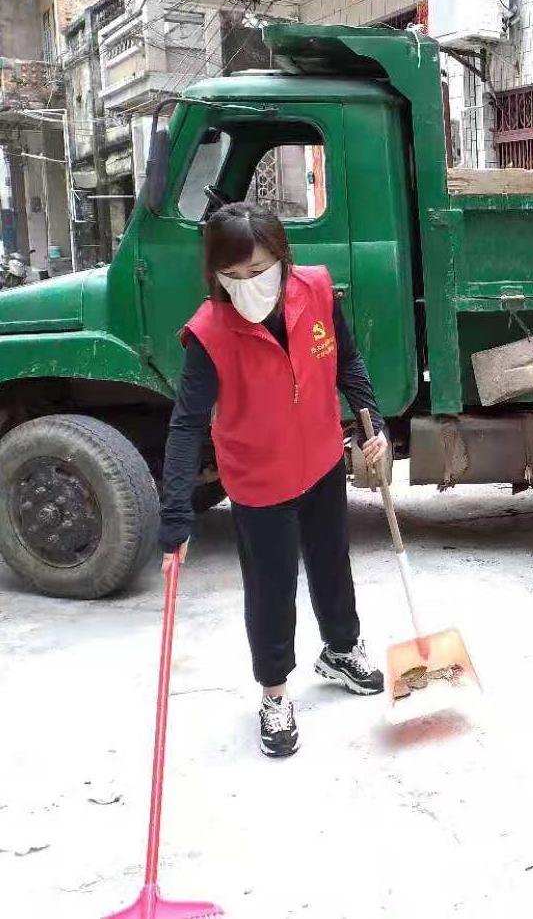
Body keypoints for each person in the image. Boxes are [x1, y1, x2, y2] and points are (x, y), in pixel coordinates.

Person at [158, 203, 390, 759]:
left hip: (321, 462)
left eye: (259, 270)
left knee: (333, 563)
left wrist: (371, 421)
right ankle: (275, 693)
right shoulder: (211, 333)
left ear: (283, 259)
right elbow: (187, 424)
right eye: (232, 276)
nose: (248, 285)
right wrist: (175, 515)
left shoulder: (316, 291)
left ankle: (340, 649)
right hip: (259, 481)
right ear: (215, 275)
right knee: (272, 588)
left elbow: (348, 363)